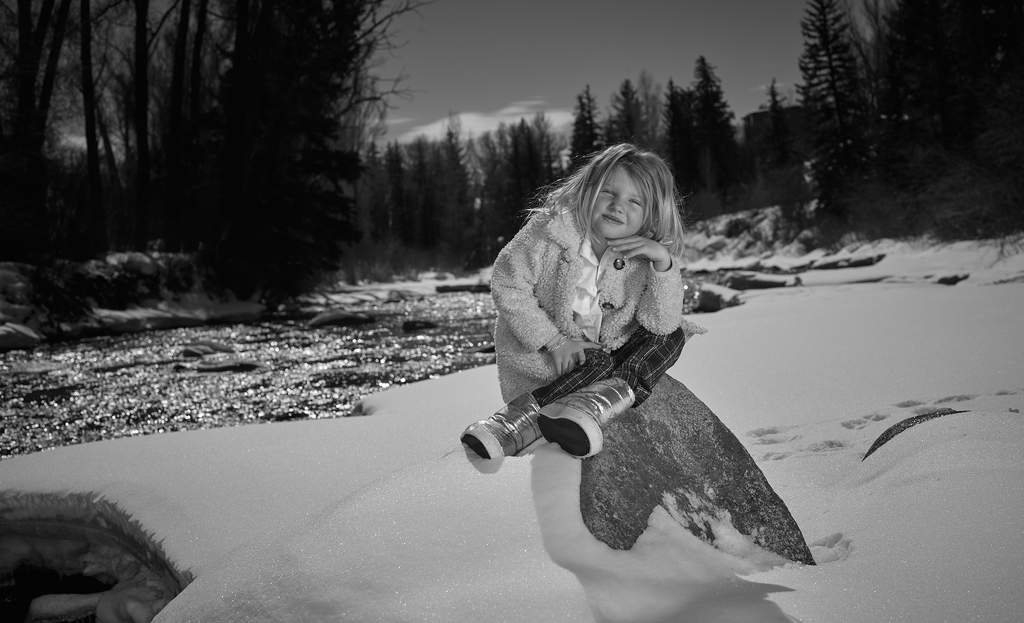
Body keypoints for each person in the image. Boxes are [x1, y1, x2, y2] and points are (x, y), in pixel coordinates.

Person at [461, 143, 704, 460]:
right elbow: (507, 283)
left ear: (651, 216)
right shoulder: (551, 231)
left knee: (673, 335)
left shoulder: (643, 257)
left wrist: (662, 262)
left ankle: (595, 404)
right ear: (589, 189)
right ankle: (509, 425)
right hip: (547, 362)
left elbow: (661, 323)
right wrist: (555, 341)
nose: (617, 206)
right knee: (598, 362)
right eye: (609, 192)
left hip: (602, 363)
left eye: (635, 201)